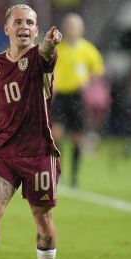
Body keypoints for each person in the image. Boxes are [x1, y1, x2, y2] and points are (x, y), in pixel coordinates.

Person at [0, 4, 62, 259]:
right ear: (7, 28)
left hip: (38, 152)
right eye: (19, 22)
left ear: (36, 30)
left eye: (30, 23)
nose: (24, 27)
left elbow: (47, 51)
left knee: (43, 221)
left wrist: (50, 43)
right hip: (4, 149)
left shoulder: (40, 57)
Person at [52, 13, 104, 187]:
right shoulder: (57, 48)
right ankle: (57, 174)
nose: (71, 29)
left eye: (74, 26)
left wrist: (88, 79)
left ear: (81, 29)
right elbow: (48, 69)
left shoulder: (88, 49)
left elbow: (98, 70)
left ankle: (74, 177)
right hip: (60, 97)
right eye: (69, 26)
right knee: (56, 135)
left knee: (77, 138)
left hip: (77, 97)